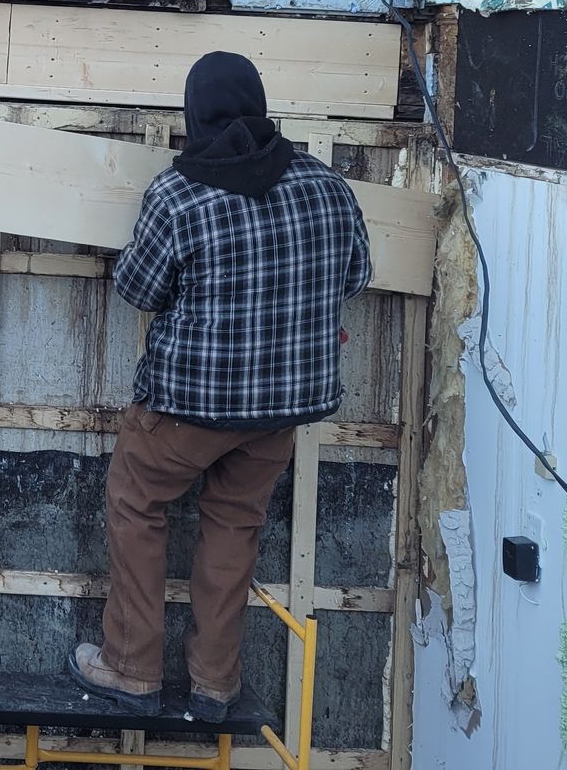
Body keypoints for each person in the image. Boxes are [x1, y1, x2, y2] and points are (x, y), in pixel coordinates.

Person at [69, 52, 371, 722]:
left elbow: (139, 289)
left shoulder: (180, 195)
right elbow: (354, 276)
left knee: (137, 505)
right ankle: (214, 684)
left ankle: (131, 667)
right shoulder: (326, 187)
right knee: (235, 525)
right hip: (281, 413)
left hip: (188, 409)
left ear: (195, 114)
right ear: (260, 107)